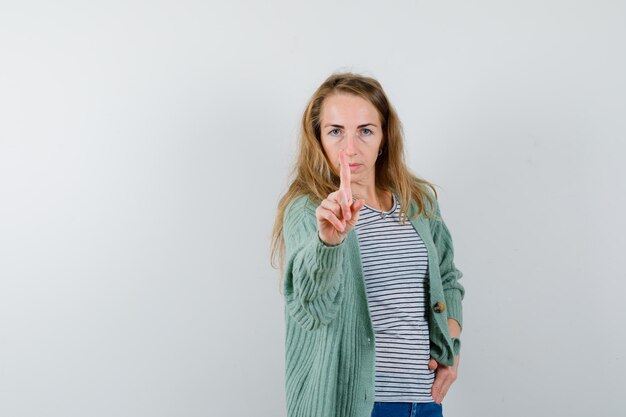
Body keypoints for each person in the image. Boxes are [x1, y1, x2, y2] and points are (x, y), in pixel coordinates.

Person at [271, 72, 465, 417]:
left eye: (365, 130)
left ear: (383, 138)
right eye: (335, 131)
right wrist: (327, 243)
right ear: (317, 139)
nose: (350, 148)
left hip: (424, 403)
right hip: (353, 406)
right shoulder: (311, 210)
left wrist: (450, 345)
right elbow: (310, 309)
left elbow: (447, 278)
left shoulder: (418, 203)